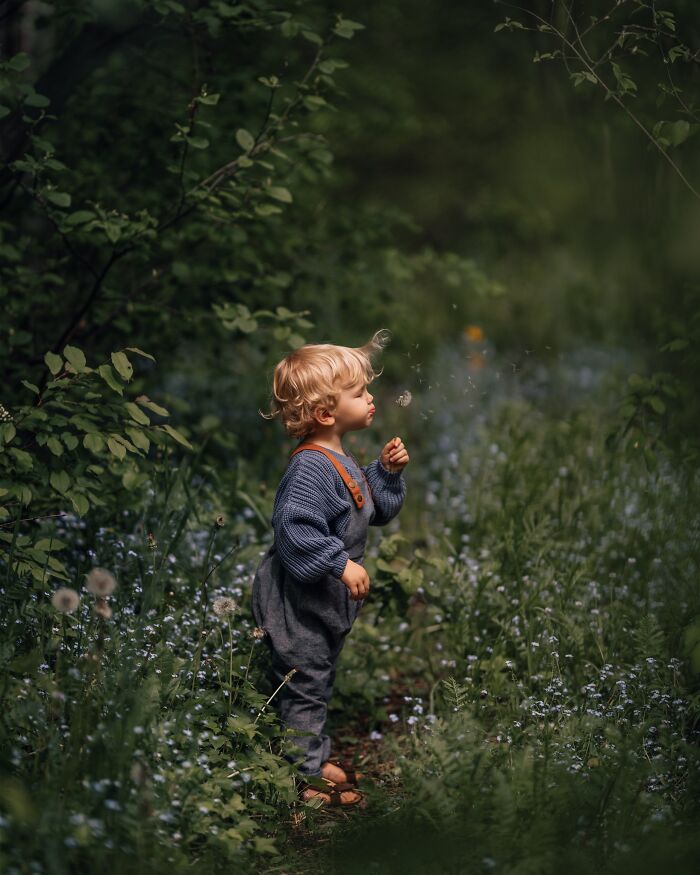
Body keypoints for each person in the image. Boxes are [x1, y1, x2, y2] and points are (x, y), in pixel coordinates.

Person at [252, 329, 410, 807]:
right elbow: (294, 530)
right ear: (325, 413)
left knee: (313, 678)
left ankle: (309, 757)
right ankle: (304, 780)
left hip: (323, 602)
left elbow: (371, 510)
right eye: (359, 393)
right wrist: (340, 564)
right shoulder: (310, 469)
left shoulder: (338, 459)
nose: (370, 398)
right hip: (300, 603)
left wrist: (385, 473)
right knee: (306, 681)